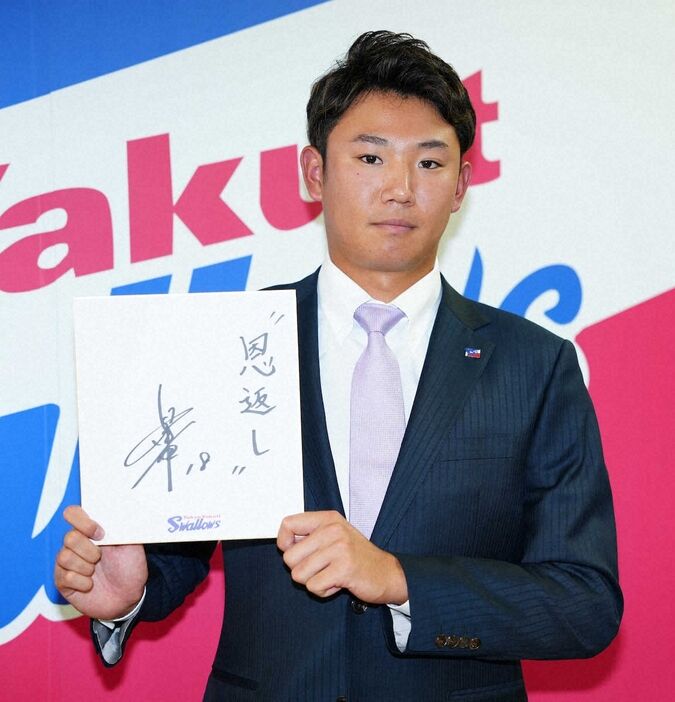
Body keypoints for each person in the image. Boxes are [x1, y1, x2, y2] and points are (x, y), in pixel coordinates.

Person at [54, 31, 622, 701]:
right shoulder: (223, 339)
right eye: (370, 157)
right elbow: (178, 544)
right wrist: (130, 591)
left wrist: (399, 580)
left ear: (461, 185)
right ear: (314, 173)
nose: (400, 189)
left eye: (429, 163)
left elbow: (583, 603)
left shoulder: (534, 365)